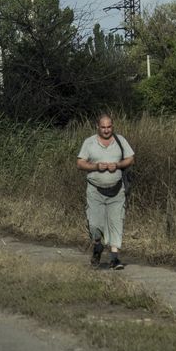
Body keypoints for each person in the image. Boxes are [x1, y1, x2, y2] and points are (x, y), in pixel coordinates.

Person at [76, 114, 135, 269]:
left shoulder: (120, 141)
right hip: (95, 190)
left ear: (112, 126)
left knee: (116, 222)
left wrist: (118, 165)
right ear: (98, 127)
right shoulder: (89, 143)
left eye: (109, 127)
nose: (106, 130)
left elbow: (130, 159)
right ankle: (97, 246)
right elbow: (80, 163)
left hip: (117, 190)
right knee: (95, 225)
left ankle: (114, 258)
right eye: (103, 127)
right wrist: (96, 167)